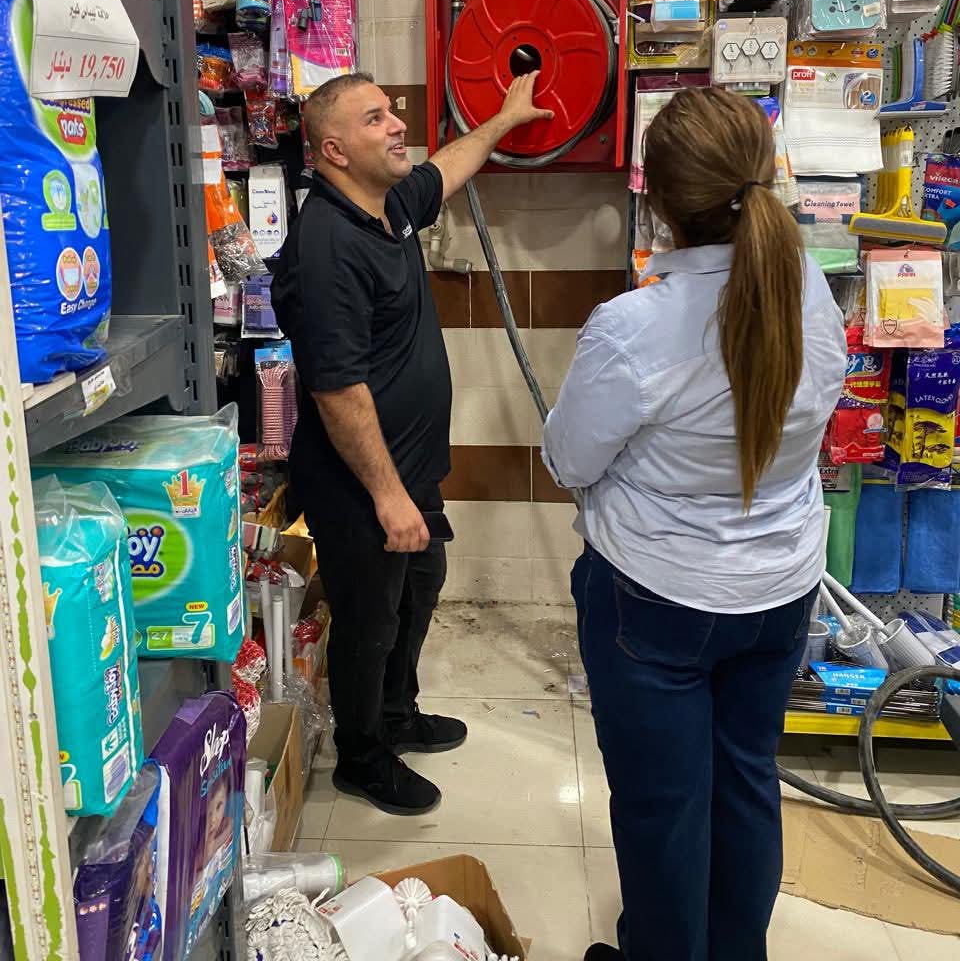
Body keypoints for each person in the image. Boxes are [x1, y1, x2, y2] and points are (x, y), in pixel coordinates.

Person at [542, 89, 846, 961]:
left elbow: (569, 461)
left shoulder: (633, 326)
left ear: (658, 202)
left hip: (656, 599)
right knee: (746, 786)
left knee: (663, 808)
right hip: (778, 591)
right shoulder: (810, 293)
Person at [272, 70, 551, 816]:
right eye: (375, 119)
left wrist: (505, 119)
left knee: (419, 586)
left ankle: (396, 715)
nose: (398, 125)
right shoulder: (327, 245)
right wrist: (388, 496)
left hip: (406, 469)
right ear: (334, 150)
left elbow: (446, 169)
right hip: (359, 482)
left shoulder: (385, 205)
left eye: (392, 112)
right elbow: (337, 390)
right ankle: (362, 756)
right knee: (369, 620)